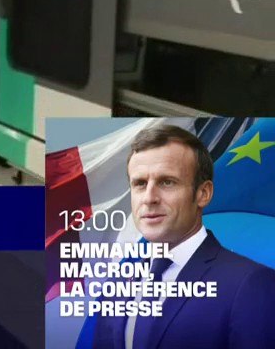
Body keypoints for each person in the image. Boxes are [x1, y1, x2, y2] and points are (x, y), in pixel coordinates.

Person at [90, 125, 275, 349]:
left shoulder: (251, 284)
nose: (149, 198)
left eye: (167, 182)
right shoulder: (120, 283)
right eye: (139, 184)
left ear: (203, 193)